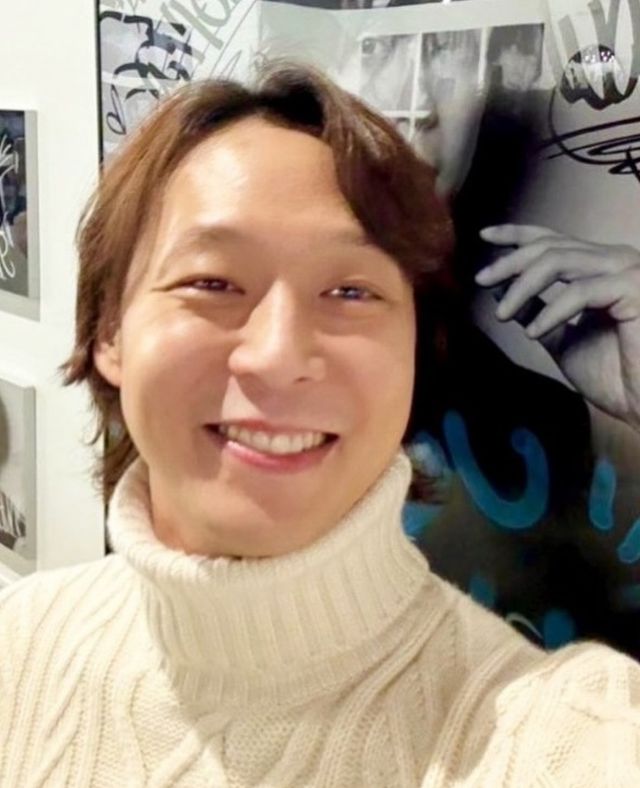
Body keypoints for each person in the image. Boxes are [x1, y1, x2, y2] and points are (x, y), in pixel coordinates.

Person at [1, 63, 639, 787]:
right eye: (212, 282)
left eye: (350, 290)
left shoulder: (568, 734)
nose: (277, 357)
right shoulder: (19, 645)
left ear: (415, 348)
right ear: (110, 332)